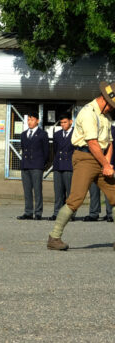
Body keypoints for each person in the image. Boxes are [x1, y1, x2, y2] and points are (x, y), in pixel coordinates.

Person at [47, 82, 115, 250]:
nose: (112, 109)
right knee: (75, 199)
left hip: (101, 159)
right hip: (85, 158)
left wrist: (107, 163)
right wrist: (106, 164)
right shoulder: (87, 113)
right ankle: (54, 238)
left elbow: (110, 142)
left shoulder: (106, 116)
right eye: (112, 106)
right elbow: (92, 143)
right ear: (104, 100)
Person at [17, 112, 49, 220]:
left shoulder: (42, 134)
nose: (29, 122)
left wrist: (42, 164)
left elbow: (46, 151)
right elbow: (23, 148)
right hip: (25, 165)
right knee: (27, 190)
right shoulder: (23, 134)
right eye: (28, 120)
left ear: (37, 121)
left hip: (37, 165)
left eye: (32, 120)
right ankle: (28, 212)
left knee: (37, 189)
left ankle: (38, 212)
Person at [84, 124, 115, 222]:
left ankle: (110, 213)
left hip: (108, 162)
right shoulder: (91, 128)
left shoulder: (112, 129)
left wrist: (111, 163)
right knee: (93, 189)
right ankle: (94, 213)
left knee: (108, 189)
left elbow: (113, 148)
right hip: (93, 162)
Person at [49, 113, 74, 221]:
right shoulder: (57, 134)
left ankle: (70, 214)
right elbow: (55, 149)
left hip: (69, 165)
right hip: (58, 165)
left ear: (71, 122)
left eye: (65, 122)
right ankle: (57, 213)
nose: (63, 124)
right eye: (61, 123)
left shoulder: (76, 133)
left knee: (70, 192)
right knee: (58, 191)